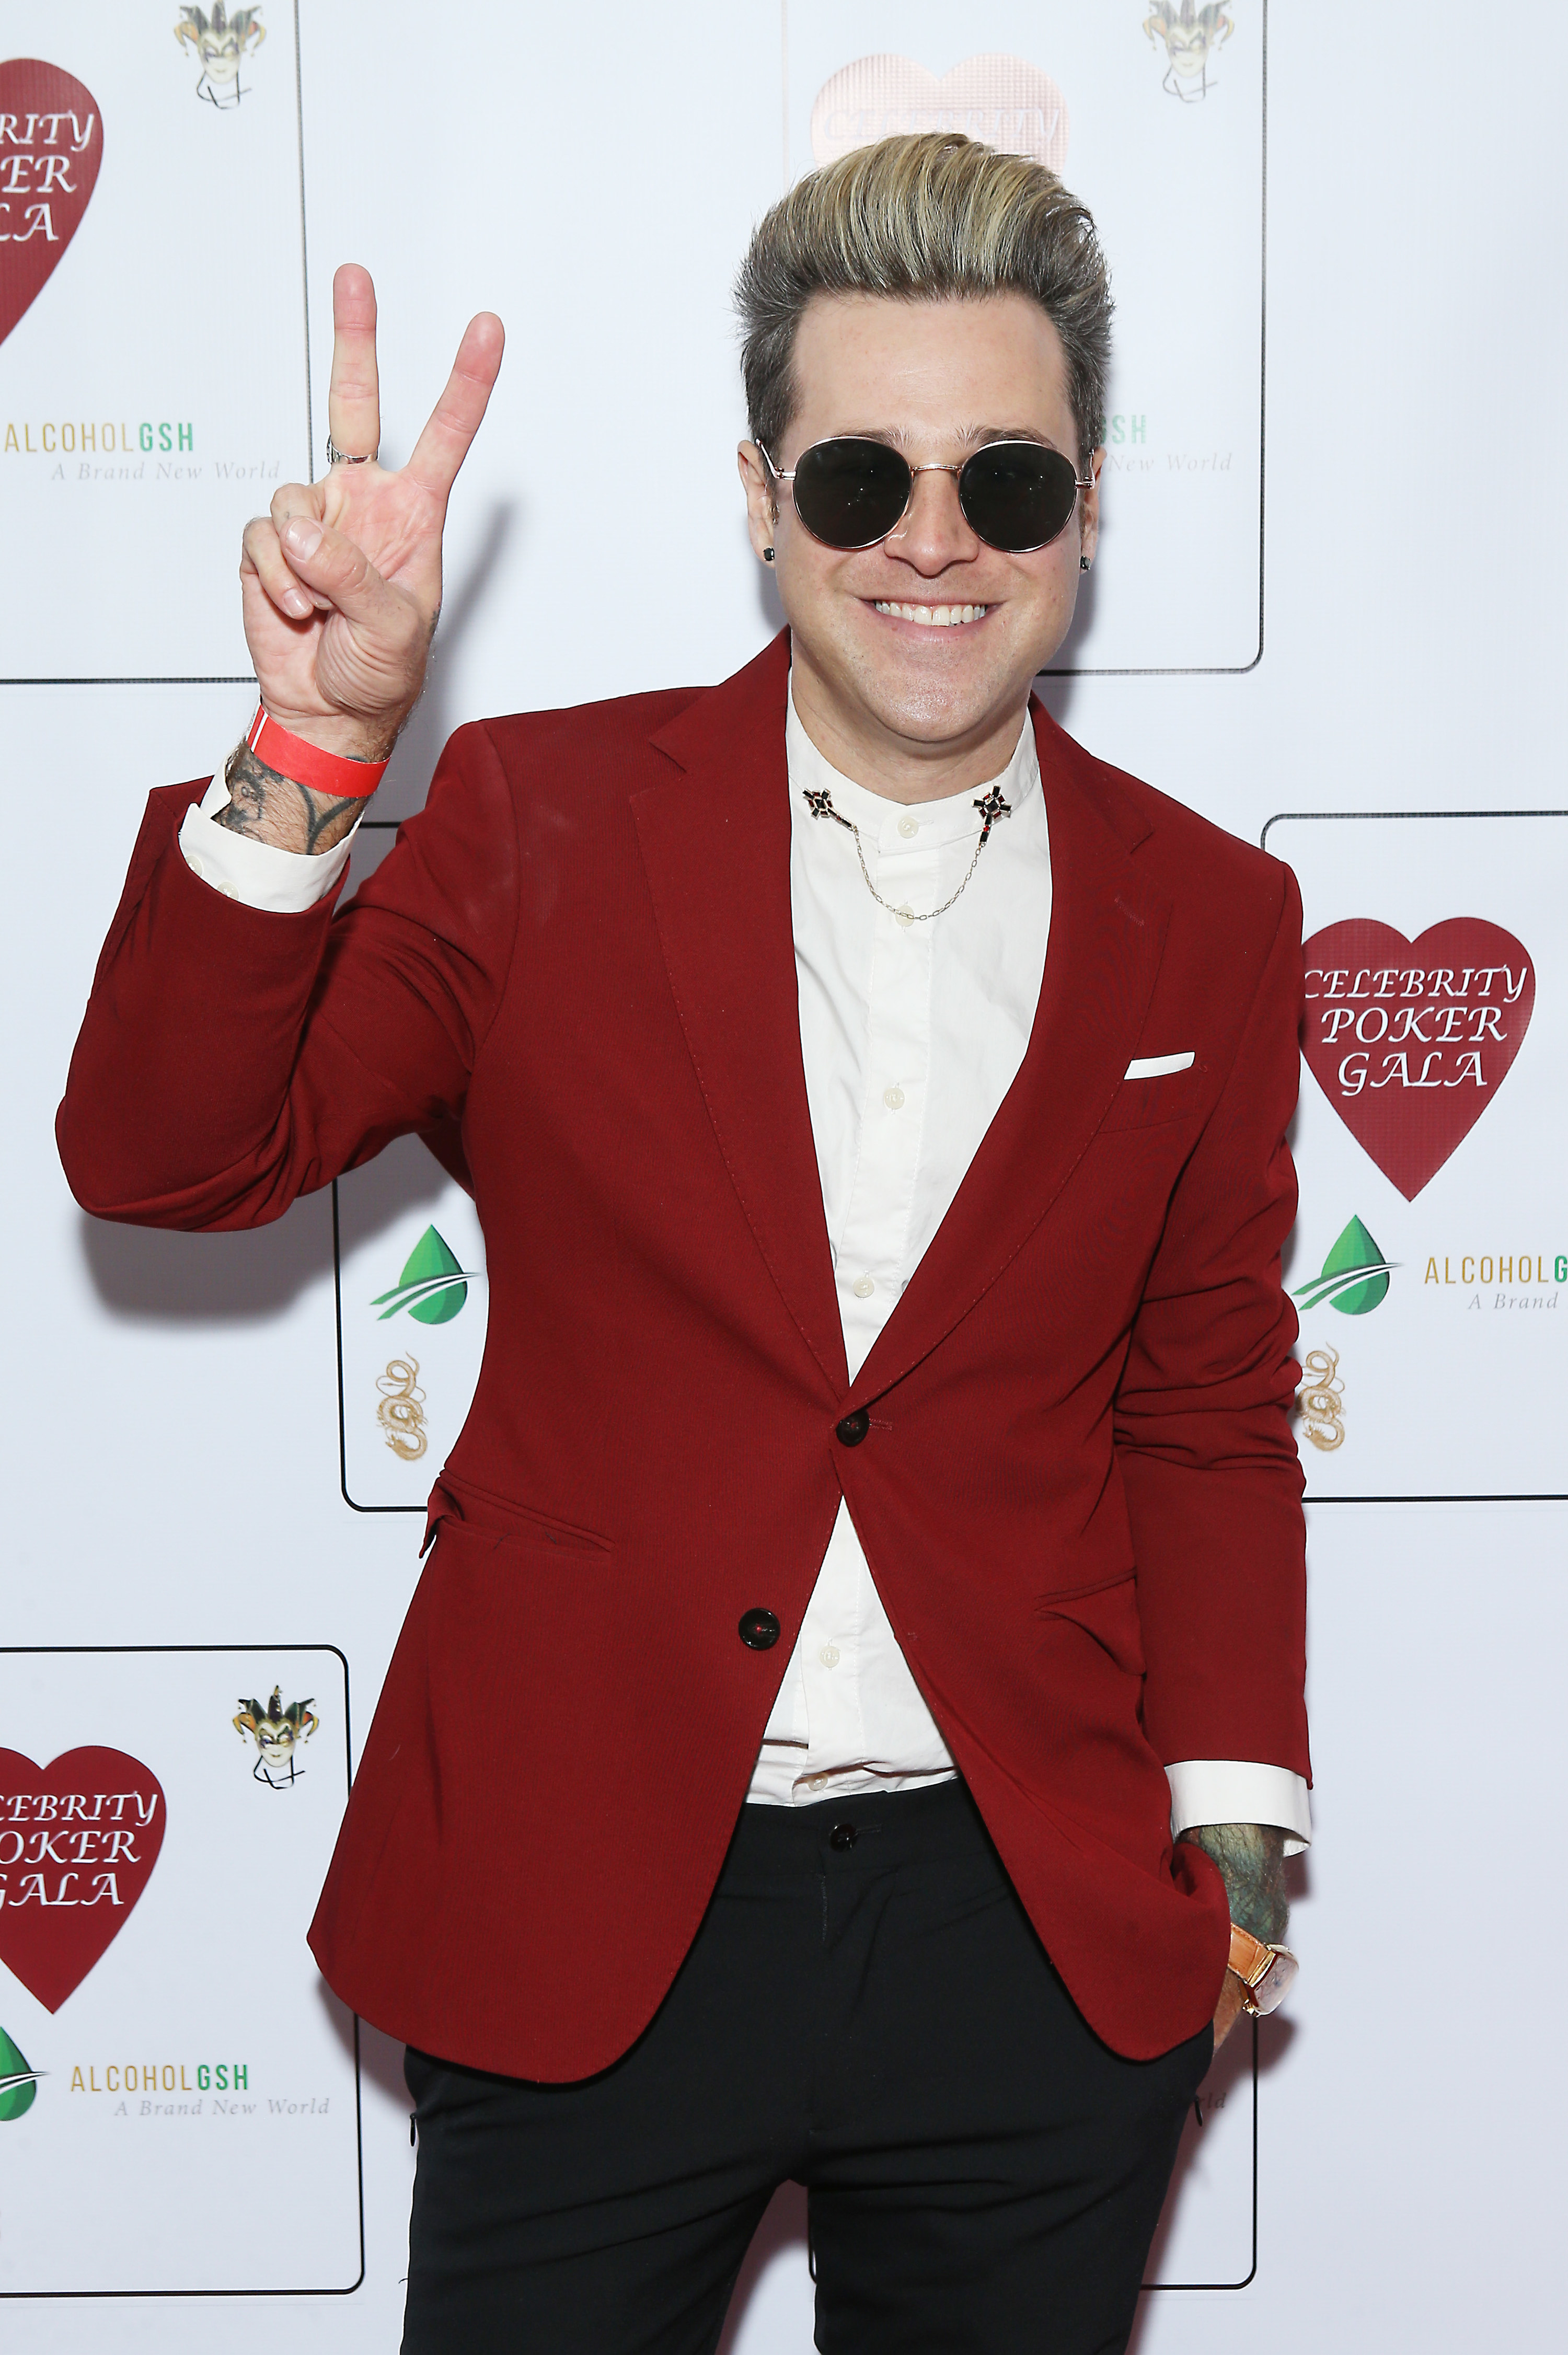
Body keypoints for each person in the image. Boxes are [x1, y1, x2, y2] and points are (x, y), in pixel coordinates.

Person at [59, 133, 1309, 2355]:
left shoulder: (1214, 912)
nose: (933, 543)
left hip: (1023, 1919)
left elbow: (1205, 1398)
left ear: (1089, 507)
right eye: (858, 480)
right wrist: (319, 742)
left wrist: (1234, 1839)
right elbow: (171, 1156)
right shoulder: (536, 825)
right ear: (759, 494)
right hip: (589, 1893)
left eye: (1006, 482)